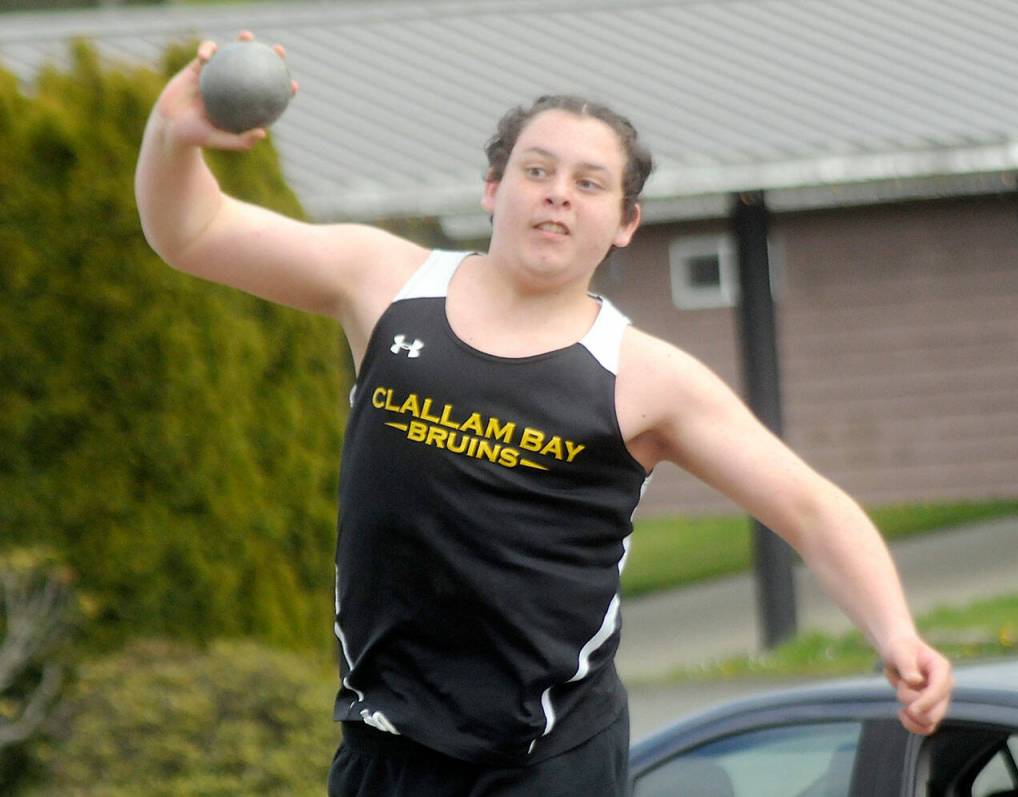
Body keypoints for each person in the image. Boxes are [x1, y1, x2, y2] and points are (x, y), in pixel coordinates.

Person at [136, 32, 953, 797]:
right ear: (493, 188)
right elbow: (194, 232)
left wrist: (897, 633)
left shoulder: (643, 377)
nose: (559, 194)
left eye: (590, 183)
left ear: (624, 224)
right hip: (383, 743)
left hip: (547, 755)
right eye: (537, 170)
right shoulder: (384, 283)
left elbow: (811, 508)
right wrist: (173, 137)